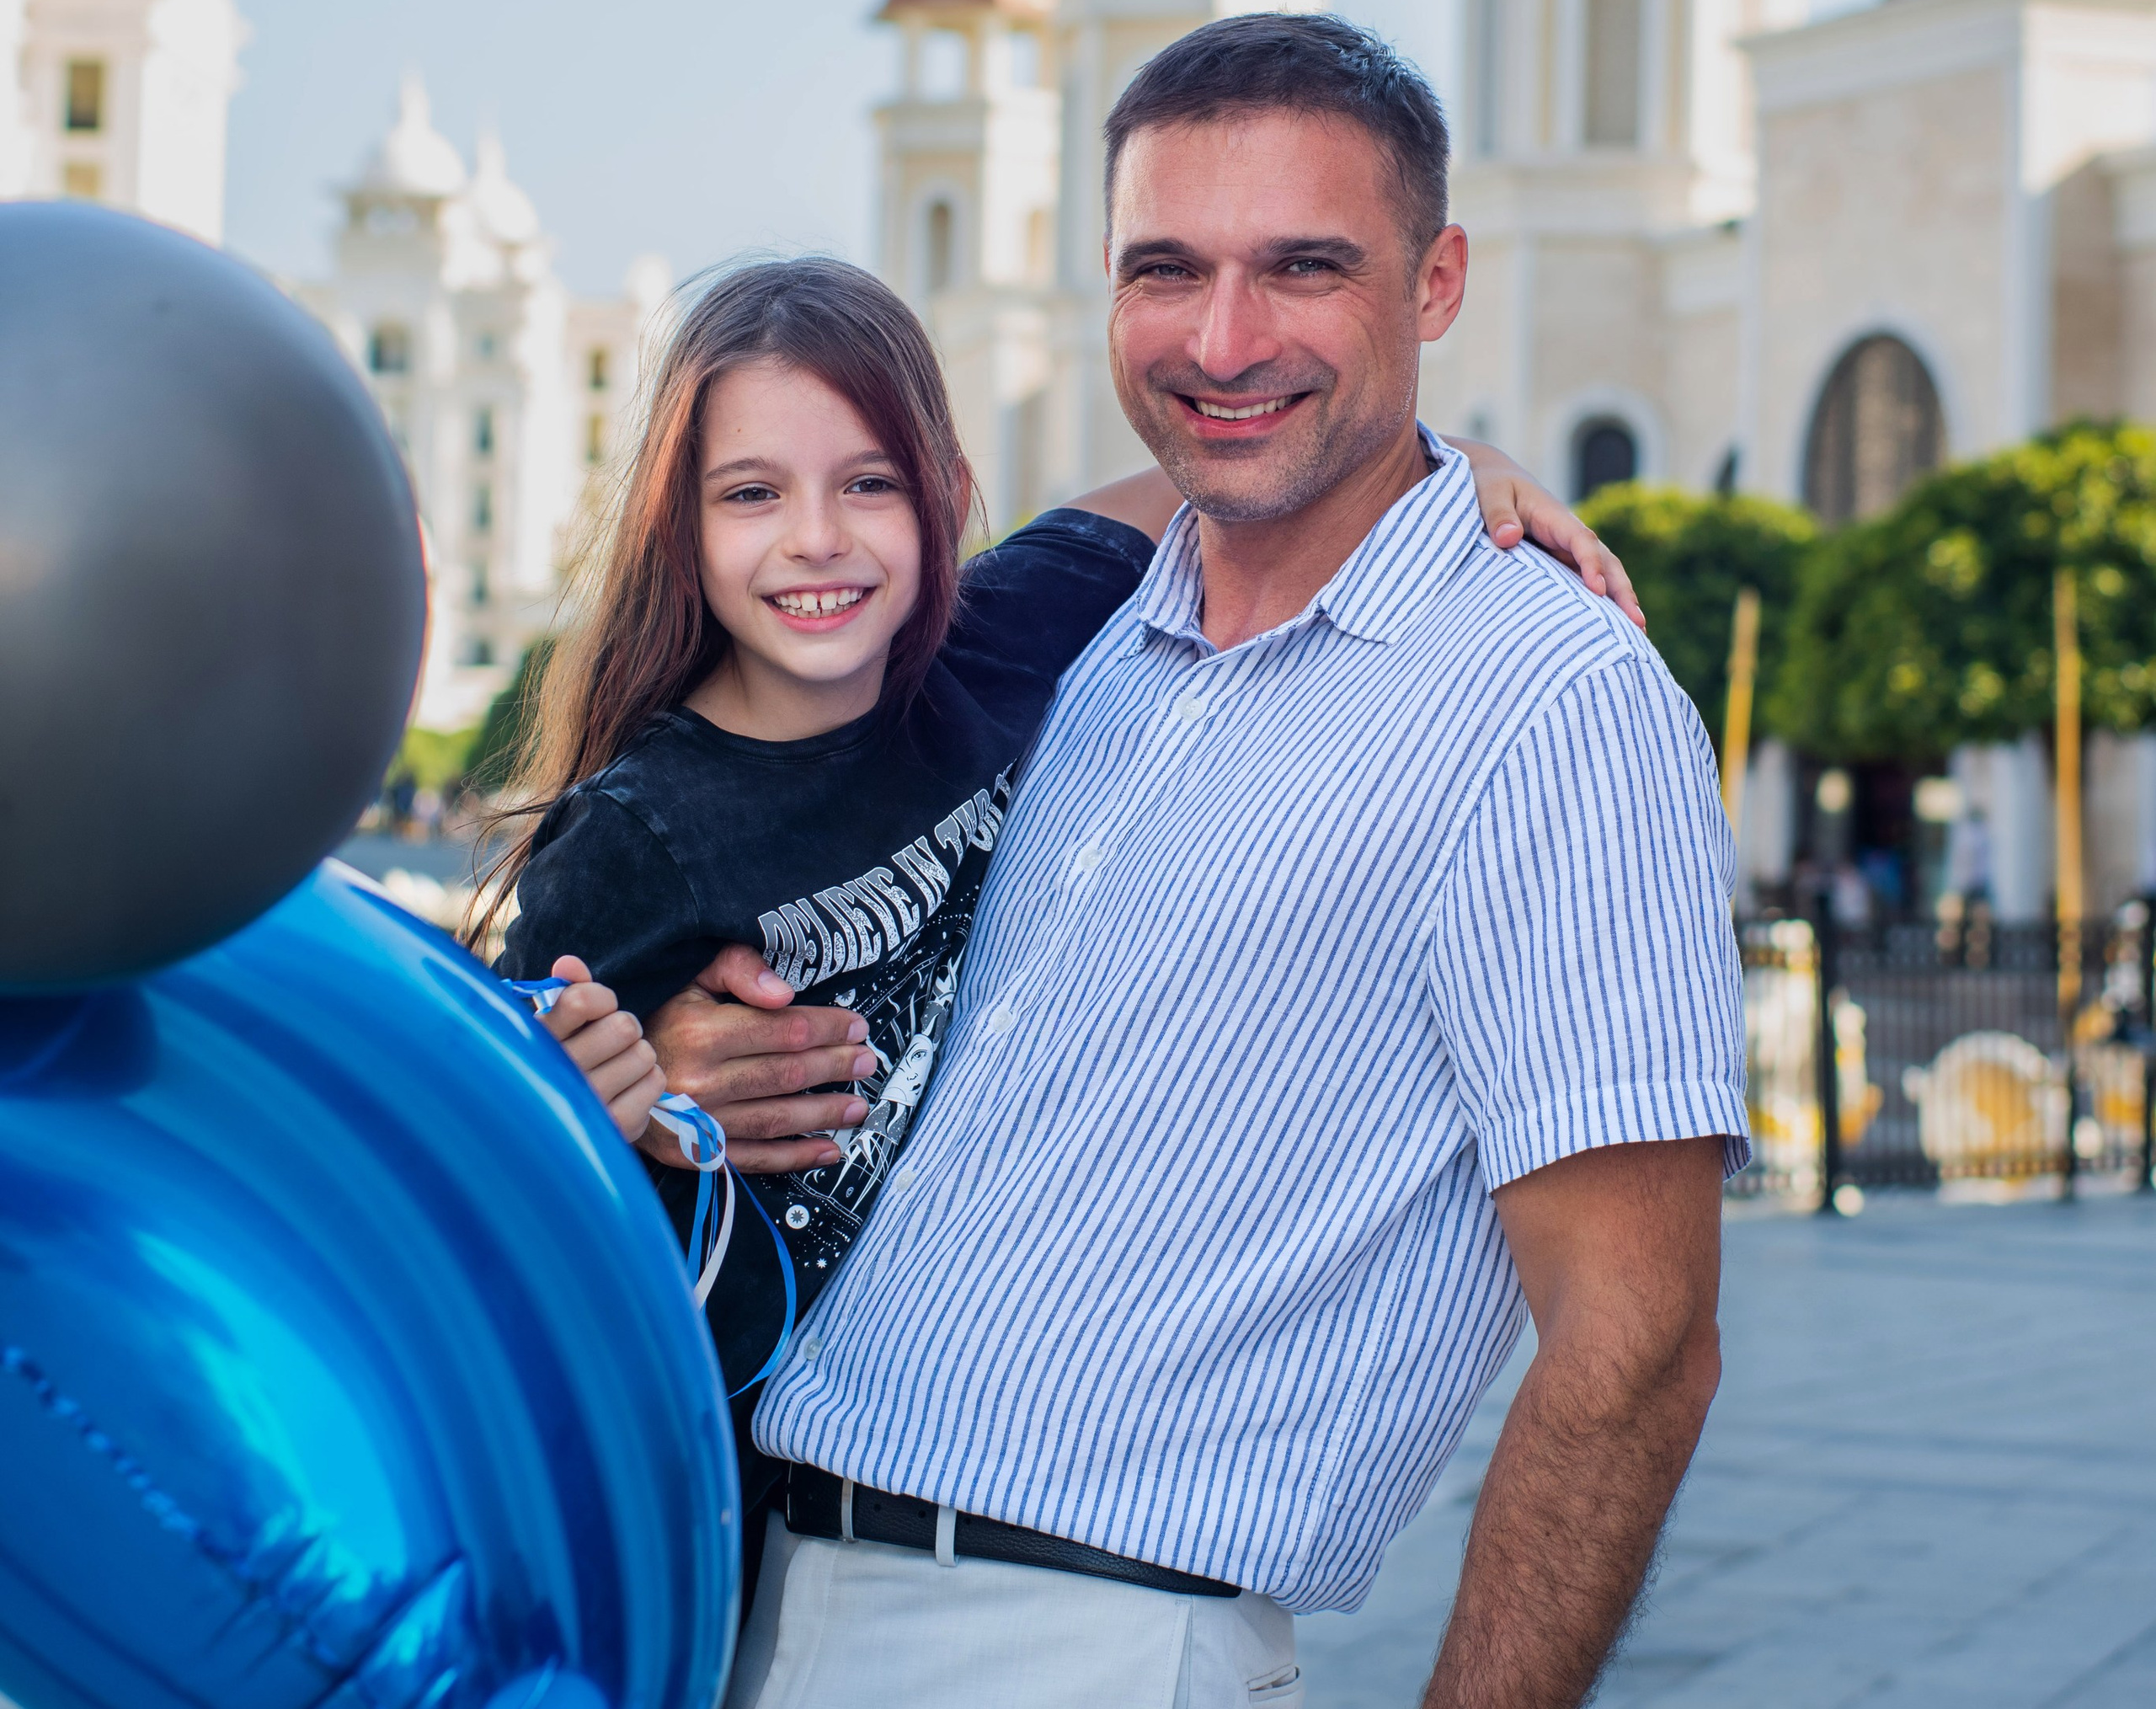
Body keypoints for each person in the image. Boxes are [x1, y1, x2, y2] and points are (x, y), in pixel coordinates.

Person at [659, 14, 1746, 1709]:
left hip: (1073, 1646)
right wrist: (697, 1057)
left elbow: (1635, 1344)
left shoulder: (1548, 702)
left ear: (1432, 281)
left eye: (1302, 268)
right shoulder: (1087, 640)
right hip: (769, 1591)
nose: (1220, 339)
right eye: (1164, 269)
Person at [483, 250, 1635, 1619]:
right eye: (752, 494)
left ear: (942, 496)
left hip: (899, 1514)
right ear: (680, 528)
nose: (817, 539)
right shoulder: (635, 835)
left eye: (869, 483)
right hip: (675, 1506)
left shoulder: (1007, 637)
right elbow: (481, 1191)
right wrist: (603, 1105)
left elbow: (1224, 476)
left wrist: (1459, 463)